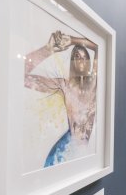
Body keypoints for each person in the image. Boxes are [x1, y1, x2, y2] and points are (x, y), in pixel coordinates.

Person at [25, 30, 98, 167]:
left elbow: (97, 46)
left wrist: (71, 40)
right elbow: (23, 76)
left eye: (84, 56)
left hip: (81, 152)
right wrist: (47, 50)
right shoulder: (65, 85)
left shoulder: (95, 83)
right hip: (64, 152)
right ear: (72, 62)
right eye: (76, 56)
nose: (81, 59)